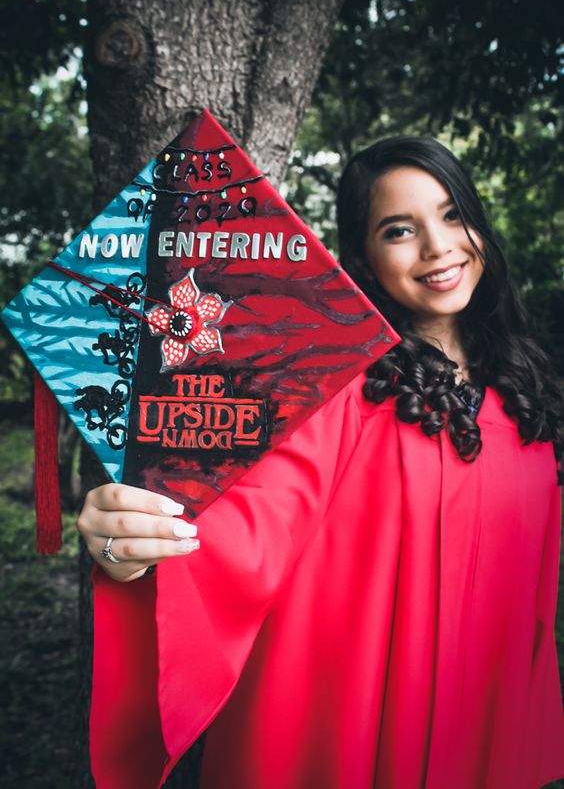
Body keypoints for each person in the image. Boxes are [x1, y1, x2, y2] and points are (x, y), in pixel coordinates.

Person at [77, 136, 564, 789]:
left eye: (452, 215)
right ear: (363, 257)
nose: (438, 246)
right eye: (399, 230)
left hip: (486, 737)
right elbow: (249, 521)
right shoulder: (338, 391)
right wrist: (138, 540)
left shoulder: (525, 393)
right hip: (346, 740)